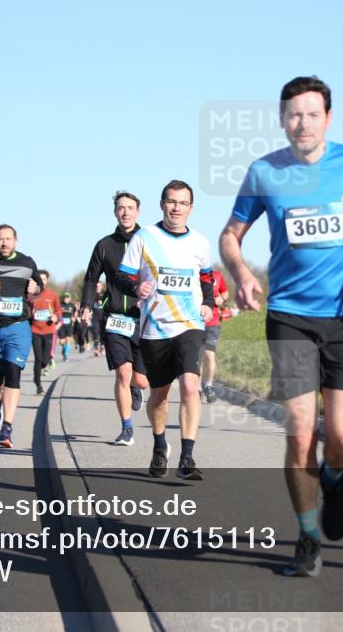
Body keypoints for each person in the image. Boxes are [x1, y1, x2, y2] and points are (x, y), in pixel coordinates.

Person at [220, 76, 343, 577]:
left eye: (312, 114)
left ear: (328, 119)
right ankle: (308, 536)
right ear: (282, 119)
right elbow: (231, 235)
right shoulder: (264, 172)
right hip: (290, 318)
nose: (302, 123)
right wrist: (240, 273)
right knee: (300, 433)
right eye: (293, 114)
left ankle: (335, 479)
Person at [115, 180, 215, 479]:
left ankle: (187, 457)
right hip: (154, 329)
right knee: (158, 396)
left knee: (189, 387)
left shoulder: (200, 242)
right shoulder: (144, 238)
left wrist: (208, 302)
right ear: (162, 204)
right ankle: (160, 446)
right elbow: (122, 277)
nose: (176, 207)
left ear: (191, 208)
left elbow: (207, 277)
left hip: (189, 326)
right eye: (171, 201)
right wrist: (136, 286)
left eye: (183, 203)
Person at [81, 192, 151, 447]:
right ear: (115, 212)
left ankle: (136, 385)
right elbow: (91, 279)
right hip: (114, 318)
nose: (126, 212)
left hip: (143, 318)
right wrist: (87, 306)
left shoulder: (149, 241)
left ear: (138, 212)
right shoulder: (104, 245)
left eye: (130, 208)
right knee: (122, 373)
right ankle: (127, 428)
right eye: (121, 208)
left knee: (140, 379)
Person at [0, 224, 43, 448]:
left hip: (18, 326)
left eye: (7, 239)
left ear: (16, 240)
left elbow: (38, 286)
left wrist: (36, 288)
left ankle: (7, 428)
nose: (3, 243)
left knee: (13, 373)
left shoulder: (27, 262)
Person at [30, 269, 61, 395]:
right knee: (38, 359)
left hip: (49, 330)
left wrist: (55, 316)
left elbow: (58, 310)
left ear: (47, 280)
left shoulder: (52, 295)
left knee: (45, 359)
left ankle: (44, 366)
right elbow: (26, 312)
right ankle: (38, 385)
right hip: (35, 330)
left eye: (44, 279)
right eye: (39, 279)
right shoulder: (30, 296)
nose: (41, 281)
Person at [200, 269, 229, 403]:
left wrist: (221, 298)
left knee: (209, 355)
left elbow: (225, 293)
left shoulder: (217, 275)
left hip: (213, 321)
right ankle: (197, 388)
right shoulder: (192, 273)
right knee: (197, 356)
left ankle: (208, 386)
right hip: (195, 321)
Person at [57, 291, 76, 361]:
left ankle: (66, 354)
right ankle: (64, 348)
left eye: (67, 297)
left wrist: (74, 317)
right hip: (61, 325)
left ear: (70, 298)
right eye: (65, 297)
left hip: (69, 325)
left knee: (68, 340)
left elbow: (76, 311)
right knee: (61, 342)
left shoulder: (72, 305)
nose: (66, 298)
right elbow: (56, 312)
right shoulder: (60, 305)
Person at [91, 283, 105, 356]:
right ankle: (96, 348)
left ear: (102, 287)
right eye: (96, 286)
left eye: (99, 286)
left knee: (103, 332)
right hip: (95, 317)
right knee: (95, 332)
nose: (97, 287)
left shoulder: (105, 293)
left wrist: (103, 302)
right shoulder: (92, 294)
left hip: (103, 316)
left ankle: (102, 346)